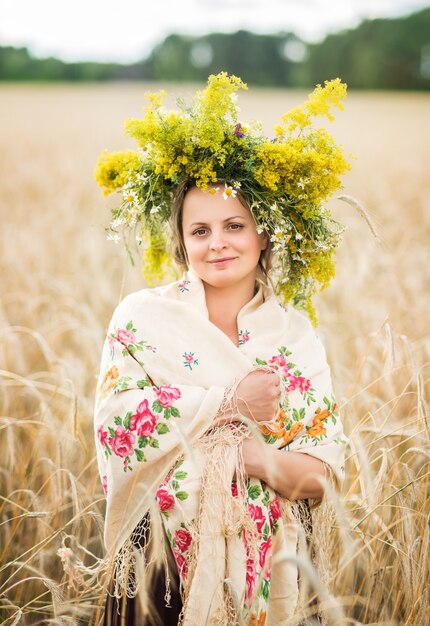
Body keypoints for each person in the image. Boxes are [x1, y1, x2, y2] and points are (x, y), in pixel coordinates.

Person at [94, 72, 349, 625]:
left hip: (271, 562)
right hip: (157, 556)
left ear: (265, 234)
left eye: (235, 225)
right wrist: (230, 401)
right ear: (181, 242)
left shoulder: (295, 335)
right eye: (200, 230)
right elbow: (116, 425)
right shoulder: (143, 317)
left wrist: (253, 458)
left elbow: (322, 469)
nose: (218, 243)